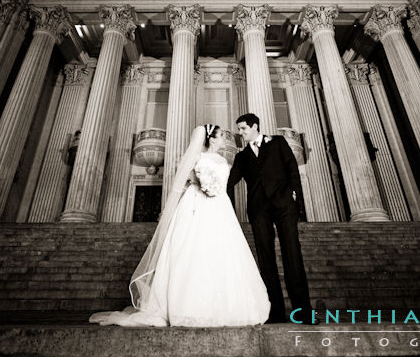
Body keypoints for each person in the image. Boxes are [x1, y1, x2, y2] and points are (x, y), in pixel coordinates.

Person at [89, 124, 271, 327]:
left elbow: (225, 183)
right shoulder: (198, 158)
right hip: (198, 205)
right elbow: (183, 180)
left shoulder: (224, 160)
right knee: (193, 250)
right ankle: (187, 307)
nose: (224, 140)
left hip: (221, 207)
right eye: (221, 137)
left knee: (222, 250)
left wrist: (213, 187)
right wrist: (200, 184)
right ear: (211, 139)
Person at [227, 113, 318, 325]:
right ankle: (275, 312)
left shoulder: (277, 142)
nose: (240, 133)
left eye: (243, 129)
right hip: (259, 211)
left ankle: (303, 312)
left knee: (292, 255)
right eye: (239, 129)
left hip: (284, 206)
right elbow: (230, 181)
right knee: (266, 260)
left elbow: (292, 169)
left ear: (255, 126)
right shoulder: (241, 157)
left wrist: (296, 201)